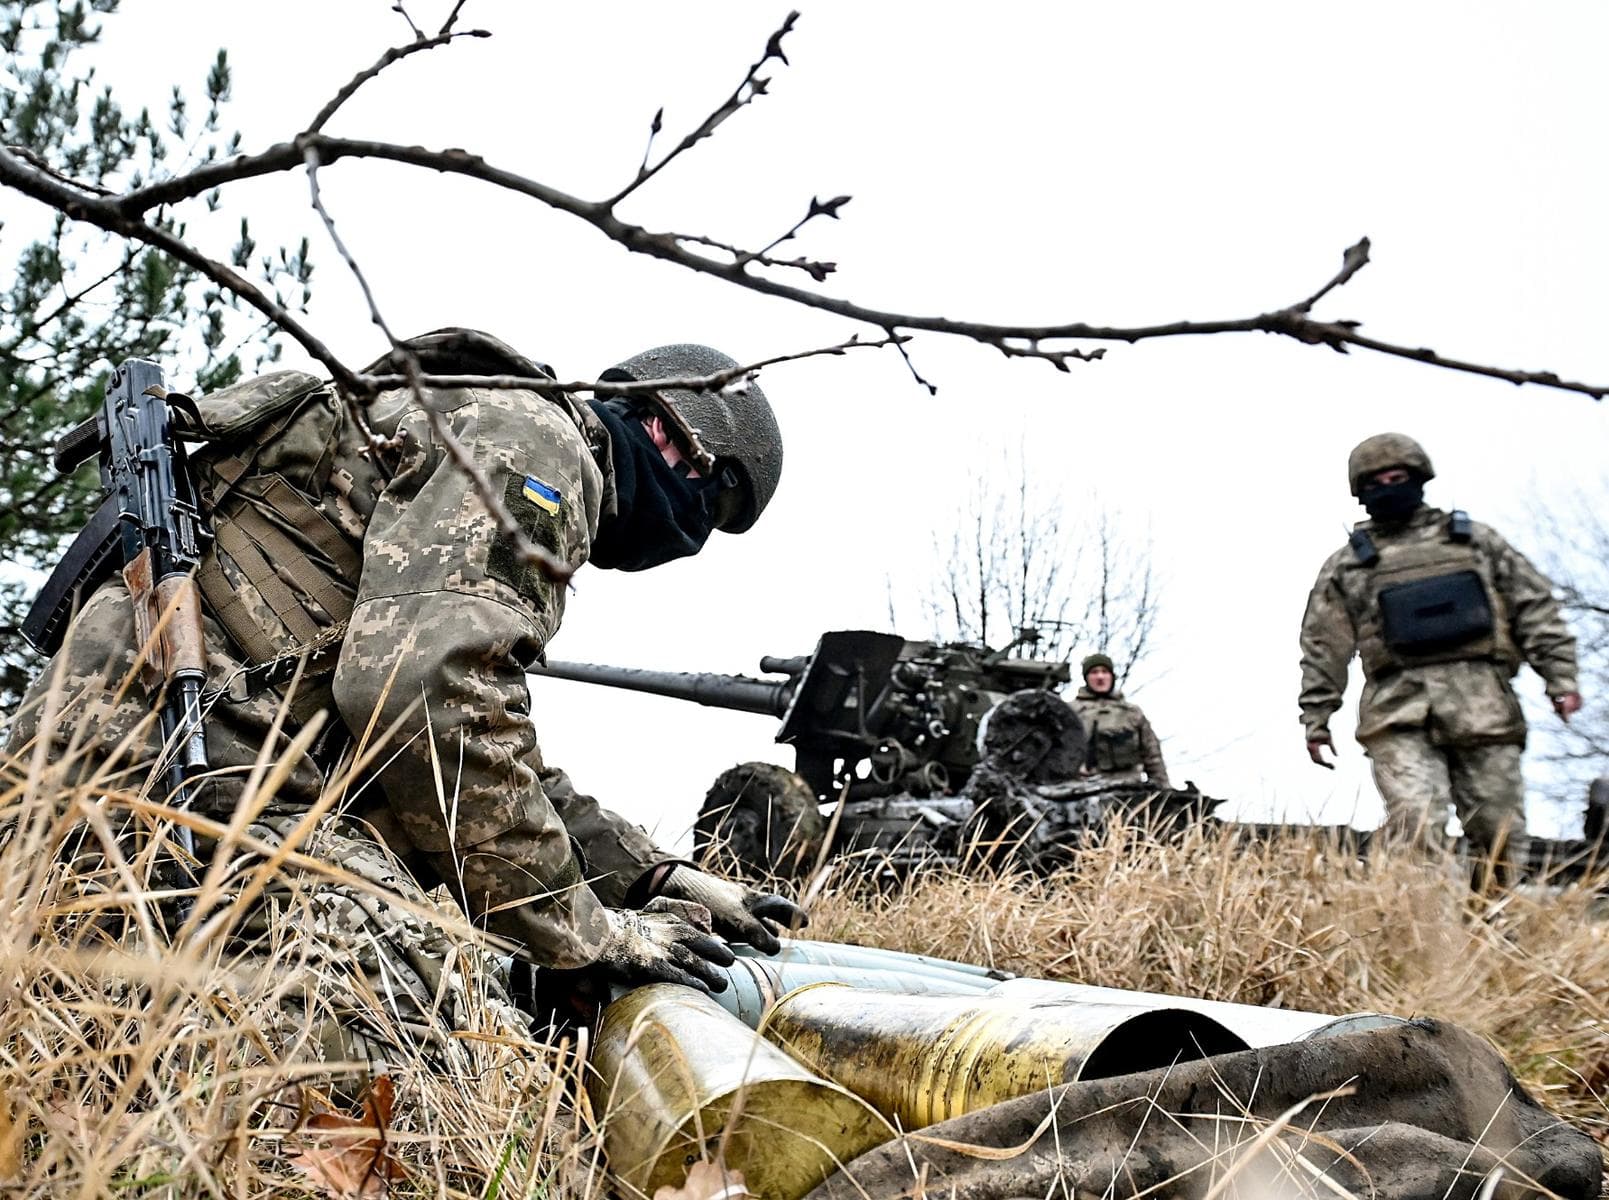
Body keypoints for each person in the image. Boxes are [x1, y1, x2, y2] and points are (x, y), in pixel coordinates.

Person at [3, 329, 803, 1060]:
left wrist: (648, 876)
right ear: (673, 435)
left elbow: (460, 729)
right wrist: (589, 933)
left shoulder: (473, 415)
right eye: (713, 505)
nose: (692, 537)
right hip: (178, 784)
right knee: (432, 1018)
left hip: (128, 779)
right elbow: (426, 699)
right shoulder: (536, 443)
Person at [1299, 432, 1581, 871]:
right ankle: (1429, 932)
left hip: (1482, 706)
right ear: (1360, 492)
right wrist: (1317, 717)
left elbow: (1533, 607)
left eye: (1398, 477)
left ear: (1420, 477)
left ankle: (1497, 929)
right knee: (1415, 824)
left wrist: (1560, 677)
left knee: (1501, 831)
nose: (1388, 488)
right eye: (1375, 482)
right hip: (1396, 711)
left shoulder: (1474, 543)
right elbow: (1322, 643)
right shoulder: (1348, 565)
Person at [1068, 653, 1171, 789]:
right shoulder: (1070, 712)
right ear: (1086, 678)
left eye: (1105, 672)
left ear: (1112, 676)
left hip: (1129, 787)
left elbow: (1152, 755)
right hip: (1083, 789)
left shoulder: (1132, 713)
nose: (1100, 677)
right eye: (1094, 672)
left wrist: (1163, 788)